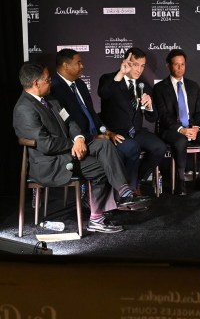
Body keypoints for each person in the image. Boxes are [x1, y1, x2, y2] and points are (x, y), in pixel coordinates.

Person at [13, 62, 149, 233]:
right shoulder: (24, 109)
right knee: (103, 168)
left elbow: (70, 122)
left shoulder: (51, 100)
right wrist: (74, 144)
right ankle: (98, 217)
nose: (51, 82)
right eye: (47, 80)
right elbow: (46, 144)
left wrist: (78, 138)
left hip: (68, 153)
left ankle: (123, 193)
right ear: (35, 83)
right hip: (51, 163)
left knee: (105, 143)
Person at [50, 49, 142, 202]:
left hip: (99, 136)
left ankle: (124, 194)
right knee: (113, 155)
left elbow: (92, 115)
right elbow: (64, 125)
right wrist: (92, 137)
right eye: (78, 62)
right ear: (65, 66)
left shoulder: (79, 84)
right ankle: (115, 199)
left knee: (130, 147)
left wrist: (108, 132)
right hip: (82, 142)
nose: (82, 66)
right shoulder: (54, 88)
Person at [98, 47, 166, 193]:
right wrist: (121, 73)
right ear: (126, 62)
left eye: (142, 66)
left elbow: (152, 118)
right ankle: (130, 189)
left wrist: (149, 107)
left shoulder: (144, 86)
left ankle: (137, 180)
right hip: (116, 133)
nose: (139, 69)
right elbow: (104, 93)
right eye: (135, 64)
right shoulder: (110, 79)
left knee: (159, 147)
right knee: (132, 147)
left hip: (137, 132)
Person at [153, 49, 200, 195]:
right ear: (168, 66)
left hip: (191, 127)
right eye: (176, 64)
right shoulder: (160, 88)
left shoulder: (193, 86)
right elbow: (163, 115)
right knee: (181, 141)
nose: (180, 68)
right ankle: (180, 180)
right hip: (170, 130)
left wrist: (196, 128)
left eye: (182, 64)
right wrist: (180, 129)